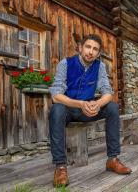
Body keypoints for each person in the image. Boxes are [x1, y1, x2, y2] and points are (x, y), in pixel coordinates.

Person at [49, 34, 132, 187]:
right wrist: (79, 104)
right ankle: (60, 166)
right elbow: (56, 95)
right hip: (69, 109)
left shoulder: (99, 66)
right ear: (80, 47)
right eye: (88, 47)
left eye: (95, 49)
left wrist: (98, 104)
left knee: (112, 107)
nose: (90, 52)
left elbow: (108, 92)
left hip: (89, 110)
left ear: (98, 53)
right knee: (56, 109)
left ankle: (112, 159)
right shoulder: (65, 64)